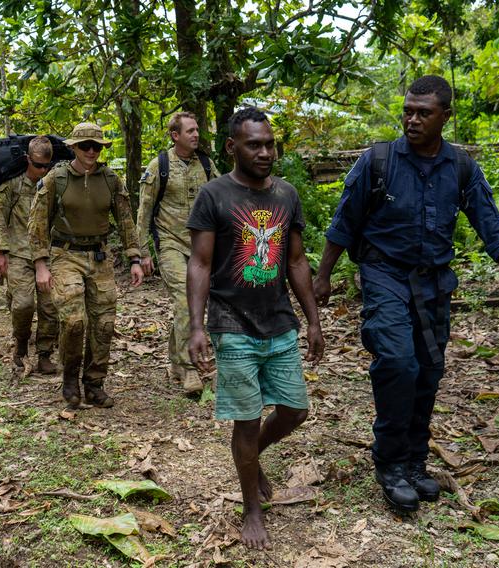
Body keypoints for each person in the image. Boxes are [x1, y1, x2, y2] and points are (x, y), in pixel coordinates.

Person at [312, 75, 499, 514]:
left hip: (434, 281)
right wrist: (323, 276)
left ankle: (415, 461)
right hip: (383, 274)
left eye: (423, 112)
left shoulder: (460, 167)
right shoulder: (378, 161)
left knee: (429, 369)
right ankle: (390, 462)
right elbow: (344, 221)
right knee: (398, 362)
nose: (412, 119)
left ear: (445, 117)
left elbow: (488, 222)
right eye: (407, 110)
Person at [186, 107, 324, 550]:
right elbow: (200, 263)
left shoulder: (287, 194)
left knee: (295, 411)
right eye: (254, 145)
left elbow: (297, 260)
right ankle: (251, 509)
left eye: (269, 144)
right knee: (245, 420)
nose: (265, 152)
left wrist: (314, 319)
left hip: (278, 321)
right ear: (232, 147)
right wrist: (196, 326)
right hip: (232, 323)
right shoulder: (214, 194)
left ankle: (252, 458)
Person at [28, 122, 144, 409]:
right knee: (74, 320)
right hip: (65, 255)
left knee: (104, 323)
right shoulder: (57, 179)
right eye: (85, 146)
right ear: (74, 148)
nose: (91, 151)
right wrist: (41, 265)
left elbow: (126, 220)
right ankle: (69, 378)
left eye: (96, 146)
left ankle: (94, 383)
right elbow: (38, 223)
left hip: (100, 256)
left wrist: (135, 258)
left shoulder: (110, 179)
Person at [136, 111, 220, 395]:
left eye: (197, 130)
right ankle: (187, 368)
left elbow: (223, 197)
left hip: (201, 247)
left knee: (194, 303)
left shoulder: (206, 164)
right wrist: (141, 253)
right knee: (186, 302)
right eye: (190, 131)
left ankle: (176, 360)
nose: (196, 135)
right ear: (175, 136)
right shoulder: (159, 166)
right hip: (170, 243)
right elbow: (144, 211)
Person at [0, 137, 59, 373]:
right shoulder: (12, 186)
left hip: (49, 253)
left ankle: (45, 353)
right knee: (23, 305)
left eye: (46, 166)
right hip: (18, 252)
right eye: (38, 165)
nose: (42, 170)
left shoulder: (53, 185)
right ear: (27, 159)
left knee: (50, 307)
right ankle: (21, 343)